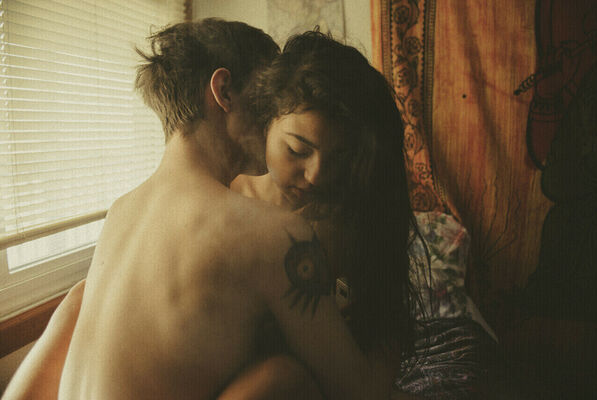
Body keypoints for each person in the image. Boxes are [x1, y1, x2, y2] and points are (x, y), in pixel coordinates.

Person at [3, 20, 392, 400]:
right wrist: (392, 317)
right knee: (286, 376)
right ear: (224, 91)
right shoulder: (274, 233)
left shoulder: (121, 211)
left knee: (80, 297)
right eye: (268, 92)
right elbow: (360, 391)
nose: (275, 110)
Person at [228, 30, 423, 398]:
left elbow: (381, 328)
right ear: (267, 122)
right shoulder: (224, 202)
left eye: (339, 157)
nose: (317, 175)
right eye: (297, 150)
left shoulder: (348, 221)